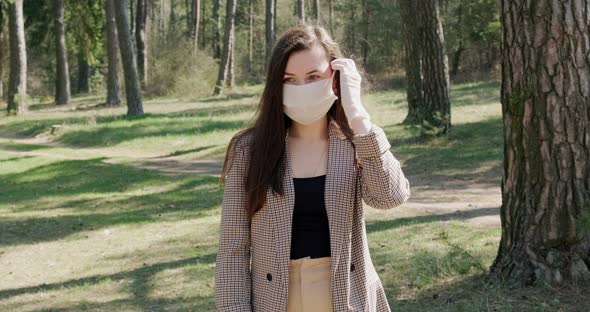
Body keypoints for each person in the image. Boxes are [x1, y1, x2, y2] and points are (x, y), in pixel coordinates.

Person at [215, 22, 411, 312]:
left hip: (347, 296)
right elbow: (233, 249)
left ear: (335, 78)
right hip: (276, 299)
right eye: (289, 79)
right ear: (275, 85)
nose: (302, 88)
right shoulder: (250, 150)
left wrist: (357, 116)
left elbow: (390, 197)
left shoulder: (356, 140)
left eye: (313, 76)